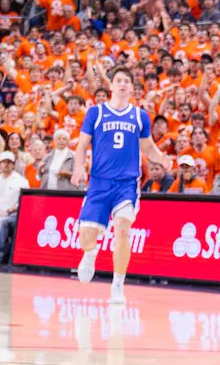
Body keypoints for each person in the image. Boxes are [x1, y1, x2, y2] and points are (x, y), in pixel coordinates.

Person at [69, 67, 170, 304]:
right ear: (111, 86)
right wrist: (78, 167)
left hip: (126, 184)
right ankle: (90, 253)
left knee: (123, 230)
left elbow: (146, 147)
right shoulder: (95, 113)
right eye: (118, 80)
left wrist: (161, 158)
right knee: (86, 237)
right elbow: (82, 145)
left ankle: (117, 284)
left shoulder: (139, 116)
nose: (123, 84)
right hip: (98, 183)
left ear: (132, 88)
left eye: (127, 81)